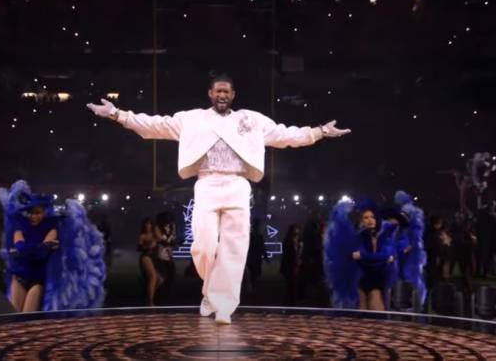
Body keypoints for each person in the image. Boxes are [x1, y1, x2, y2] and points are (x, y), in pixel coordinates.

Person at [87, 73, 350, 324]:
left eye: (226, 91)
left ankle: (223, 306)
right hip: (207, 183)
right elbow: (154, 125)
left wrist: (319, 132)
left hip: (238, 184)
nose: (222, 95)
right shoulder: (192, 119)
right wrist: (116, 114)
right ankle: (211, 290)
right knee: (203, 245)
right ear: (210, 94)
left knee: (235, 248)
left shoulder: (251, 120)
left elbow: (285, 135)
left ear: (233, 95)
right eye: (218, 91)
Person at [0, 180, 106, 312]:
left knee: (27, 317)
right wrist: (40, 248)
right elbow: (27, 248)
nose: (33, 216)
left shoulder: (52, 229)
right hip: (19, 277)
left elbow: (36, 253)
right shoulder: (20, 227)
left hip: (37, 280)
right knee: (13, 316)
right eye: (30, 213)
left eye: (37, 213)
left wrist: (25, 251)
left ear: (44, 212)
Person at [324, 199, 396, 311]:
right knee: (361, 315)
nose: (370, 220)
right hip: (360, 281)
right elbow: (362, 257)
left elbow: (383, 254)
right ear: (361, 221)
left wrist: (368, 257)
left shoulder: (383, 238)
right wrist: (381, 258)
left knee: (377, 312)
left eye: (372, 217)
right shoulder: (357, 238)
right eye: (366, 218)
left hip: (377, 280)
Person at [138, 218, 163, 306]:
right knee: (153, 277)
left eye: (149, 224)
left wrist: (156, 229)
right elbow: (139, 248)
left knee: (159, 280)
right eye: (146, 224)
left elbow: (160, 239)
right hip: (146, 257)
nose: (147, 226)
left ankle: (147, 295)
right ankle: (150, 301)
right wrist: (147, 247)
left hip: (154, 258)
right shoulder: (143, 236)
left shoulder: (155, 234)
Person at [280, 223, 302, 305]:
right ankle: (290, 301)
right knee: (290, 284)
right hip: (289, 266)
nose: (298, 231)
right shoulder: (289, 240)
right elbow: (290, 254)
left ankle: (291, 300)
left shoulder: (295, 240)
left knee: (292, 284)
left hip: (292, 265)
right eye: (296, 229)